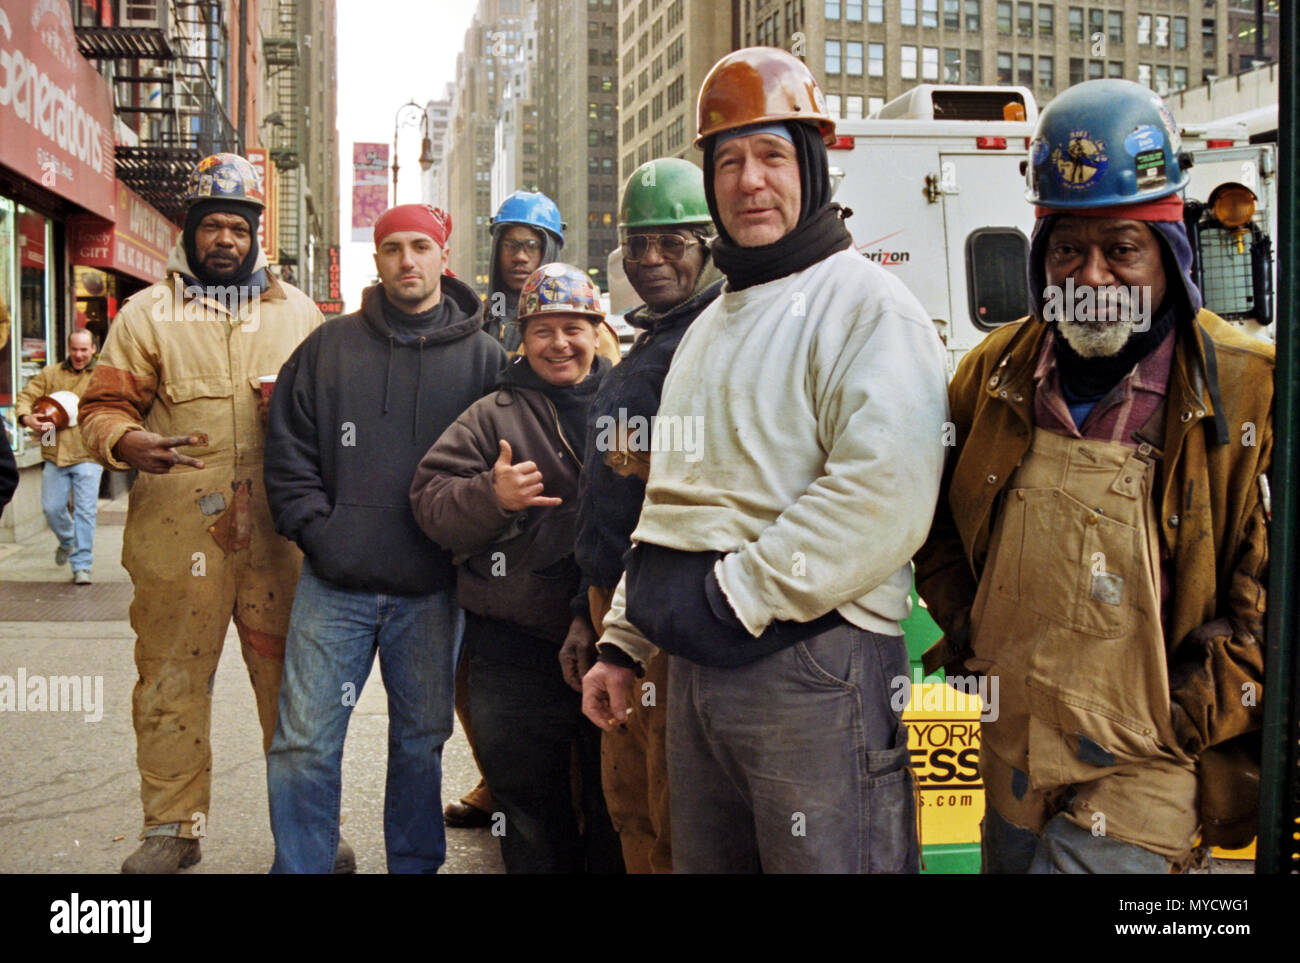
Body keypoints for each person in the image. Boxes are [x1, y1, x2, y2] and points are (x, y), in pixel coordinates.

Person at [580, 47, 949, 873]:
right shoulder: (712, 323)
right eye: (731, 160)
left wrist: (731, 594)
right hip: (701, 668)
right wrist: (625, 641)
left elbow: (879, 496)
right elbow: (677, 503)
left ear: (811, 168)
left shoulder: (866, 304)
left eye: (773, 156)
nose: (750, 181)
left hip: (818, 671)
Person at [913, 79, 1273, 873]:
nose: (1095, 276)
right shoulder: (994, 372)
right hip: (1014, 739)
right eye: (1069, 249)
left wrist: (1190, 711)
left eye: (1123, 248)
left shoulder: (1246, 385)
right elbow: (934, 518)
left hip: (1148, 753)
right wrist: (973, 635)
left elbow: (1264, 581)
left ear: (1170, 257)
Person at [78, 153, 325, 874]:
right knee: (170, 681)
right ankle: (173, 827)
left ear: (256, 235)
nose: (224, 238)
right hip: (176, 536)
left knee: (293, 689)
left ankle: (304, 831)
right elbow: (102, 406)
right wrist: (128, 440)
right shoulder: (147, 314)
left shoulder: (301, 313)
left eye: (237, 226)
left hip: (282, 540)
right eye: (211, 225)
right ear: (189, 232)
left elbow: (336, 411)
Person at [262, 203, 507, 873]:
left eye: (420, 246)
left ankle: (414, 862)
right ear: (377, 260)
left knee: (420, 743)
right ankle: (303, 865)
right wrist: (322, 534)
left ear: (442, 257)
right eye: (393, 247)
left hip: (431, 591)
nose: (407, 259)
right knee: (304, 743)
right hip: (333, 585)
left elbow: (501, 469)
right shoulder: (327, 346)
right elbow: (287, 451)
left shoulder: (486, 359)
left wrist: (463, 550)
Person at [411, 263, 622, 873]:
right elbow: (429, 503)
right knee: (527, 811)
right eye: (543, 330)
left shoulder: (631, 403)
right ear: (522, 339)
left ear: (597, 330)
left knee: (618, 805)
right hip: (515, 648)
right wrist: (490, 495)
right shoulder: (491, 416)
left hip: (617, 643)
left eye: (574, 328)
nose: (560, 343)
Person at [559, 157, 722, 873]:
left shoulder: (713, 338)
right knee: (625, 794)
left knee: (668, 800)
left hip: (662, 605)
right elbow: (609, 494)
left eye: (673, 243)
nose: (651, 260)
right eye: (638, 243)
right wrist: (583, 609)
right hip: (613, 603)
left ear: (707, 246)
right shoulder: (649, 335)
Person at [15, 330, 103, 584]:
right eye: (75, 349)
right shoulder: (50, 374)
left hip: (87, 454)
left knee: (85, 512)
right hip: (53, 452)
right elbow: (26, 397)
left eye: (84, 350)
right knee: (52, 508)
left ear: (93, 349)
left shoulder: (101, 376)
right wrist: (27, 418)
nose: (78, 354)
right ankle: (69, 541)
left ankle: (82, 564)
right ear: (68, 348)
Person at [483, 190, 566, 353]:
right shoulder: (476, 321)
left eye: (532, 246)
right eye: (509, 246)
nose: (520, 257)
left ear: (549, 251)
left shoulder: (578, 325)